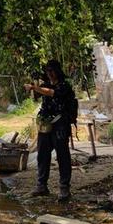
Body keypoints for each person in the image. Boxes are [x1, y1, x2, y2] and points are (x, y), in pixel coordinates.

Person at [24, 59, 75, 202]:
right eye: (48, 71)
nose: (50, 74)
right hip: (46, 125)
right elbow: (38, 96)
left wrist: (35, 87)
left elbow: (51, 93)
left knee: (62, 156)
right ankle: (42, 186)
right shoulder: (45, 84)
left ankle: (64, 188)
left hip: (60, 125)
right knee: (43, 155)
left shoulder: (64, 86)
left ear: (57, 71)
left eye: (52, 71)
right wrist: (33, 87)